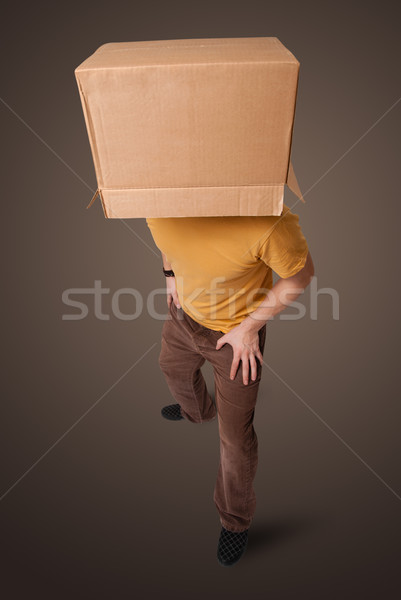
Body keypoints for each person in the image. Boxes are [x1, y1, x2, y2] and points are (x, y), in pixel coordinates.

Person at [146, 203, 314, 566]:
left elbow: (300, 276)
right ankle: (198, 411)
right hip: (182, 318)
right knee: (171, 369)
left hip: (235, 340)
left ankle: (235, 522)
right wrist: (169, 275)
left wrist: (249, 328)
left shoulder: (268, 219)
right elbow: (168, 241)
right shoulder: (156, 198)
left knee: (235, 440)